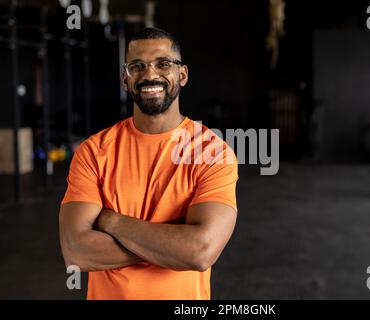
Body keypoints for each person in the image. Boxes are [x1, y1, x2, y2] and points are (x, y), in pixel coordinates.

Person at [59, 27, 238, 300]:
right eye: (137, 66)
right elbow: (76, 251)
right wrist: (174, 241)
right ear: (124, 78)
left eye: (163, 64)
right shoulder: (93, 152)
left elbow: (200, 251)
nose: (150, 74)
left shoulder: (212, 152)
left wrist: (112, 222)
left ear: (183, 74)